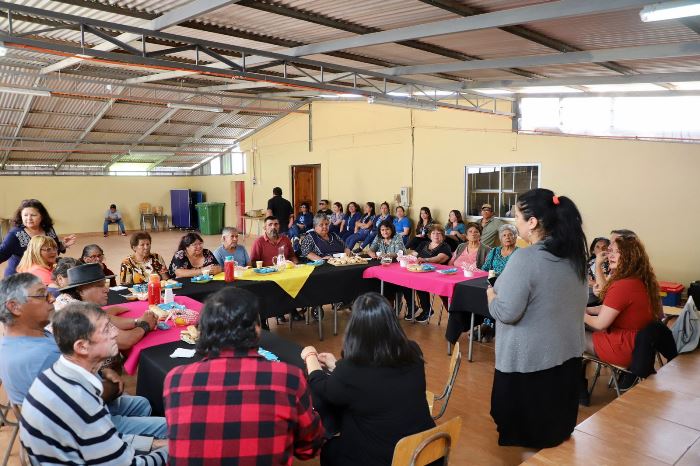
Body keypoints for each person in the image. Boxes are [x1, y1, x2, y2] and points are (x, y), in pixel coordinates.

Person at [164, 287, 324, 466]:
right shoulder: (288, 379)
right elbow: (309, 449)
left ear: (203, 332)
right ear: (256, 329)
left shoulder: (175, 380)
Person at [0, 274, 167, 441]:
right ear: (15, 307)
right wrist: (113, 384)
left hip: (81, 409)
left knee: (144, 404)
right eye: (42, 294)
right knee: (172, 427)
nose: (51, 298)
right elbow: (85, 402)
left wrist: (101, 373)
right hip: (81, 428)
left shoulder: (24, 337)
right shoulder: (39, 356)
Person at [486, 189, 588, 449]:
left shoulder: (526, 258)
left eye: (517, 216)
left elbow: (507, 312)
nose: (514, 223)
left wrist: (491, 295)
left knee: (531, 441)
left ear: (532, 222)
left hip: (530, 368)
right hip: (567, 364)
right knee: (555, 437)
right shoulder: (574, 257)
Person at [19, 301, 168, 464]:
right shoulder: (80, 400)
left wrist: (154, 444)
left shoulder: (57, 375)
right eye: (106, 329)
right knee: (182, 436)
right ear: (82, 347)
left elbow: (102, 438)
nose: (114, 333)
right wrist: (169, 451)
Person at [301, 292, 434, 466]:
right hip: (425, 452)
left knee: (330, 449)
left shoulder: (352, 369)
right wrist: (336, 366)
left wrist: (310, 355)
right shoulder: (413, 351)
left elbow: (322, 389)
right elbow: (379, 384)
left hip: (388, 459)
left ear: (355, 329)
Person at [584, 236, 662, 369]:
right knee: (576, 327)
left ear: (630, 256)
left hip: (623, 348)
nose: (610, 255)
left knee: (569, 332)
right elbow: (613, 307)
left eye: (616, 252)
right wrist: (589, 310)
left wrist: (579, 313)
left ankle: (575, 385)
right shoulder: (639, 280)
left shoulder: (623, 285)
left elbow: (600, 324)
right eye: (610, 251)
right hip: (638, 346)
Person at [59, 263, 158, 351]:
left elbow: (106, 317)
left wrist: (138, 321)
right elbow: (126, 341)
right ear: (81, 291)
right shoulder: (83, 313)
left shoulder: (66, 300)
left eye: (105, 284)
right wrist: (145, 325)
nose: (107, 290)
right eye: (100, 285)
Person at [0, 199, 76, 277]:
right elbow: (2, 253)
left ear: (42, 216)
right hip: (20, 278)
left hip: (43, 273)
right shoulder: (15, 234)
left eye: (33, 215)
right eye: (25, 215)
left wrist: (63, 245)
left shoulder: (48, 229)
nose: (29, 218)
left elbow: (51, 252)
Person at [403, 224, 452, 323]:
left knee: (419, 282)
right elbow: (414, 255)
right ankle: (412, 307)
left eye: (439, 233)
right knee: (405, 281)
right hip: (420, 271)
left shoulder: (445, 246)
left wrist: (425, 259)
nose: (436, 235)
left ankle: (427, 310)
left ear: (443, 235)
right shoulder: (424, 244)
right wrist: (405, 257)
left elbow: (439, 259)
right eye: (433, 233)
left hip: (436, 274)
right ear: (430, 235)